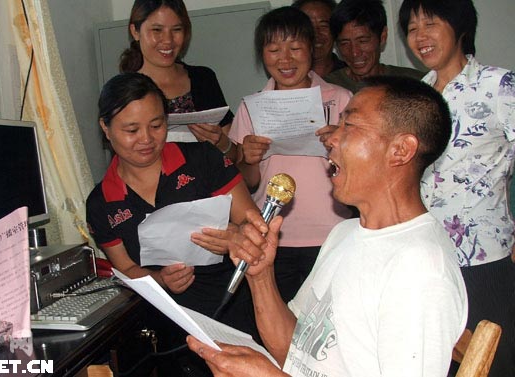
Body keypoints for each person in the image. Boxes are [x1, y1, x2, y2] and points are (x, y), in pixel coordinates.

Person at [186, 76, 468, 377]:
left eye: (350, 126)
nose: (331, 138)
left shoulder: (420, 269)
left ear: (400, 150)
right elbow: (294, 350)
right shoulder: (344, 234)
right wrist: (261, 275)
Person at [85, 72, 261, 374]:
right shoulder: (101, 202)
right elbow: (126, 268)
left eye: (157, 125)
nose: (146, 139)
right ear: (106, 128)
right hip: (169, 328)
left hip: (234, 309)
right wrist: (162, 280)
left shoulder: (202, 160)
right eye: (131, 130)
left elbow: (254, 226)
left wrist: (236, 235)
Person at [399, 1, 515, 375]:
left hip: (485, 256)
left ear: (460, 27)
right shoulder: (416, 97)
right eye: (412, 27)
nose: (420, 36)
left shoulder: (499, 86)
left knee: (491, 361)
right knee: (438, 361)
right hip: (429, 257)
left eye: (430, 24)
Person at [228, 6, 353, 303]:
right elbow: (248, 183)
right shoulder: (251, 106)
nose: (285, 59)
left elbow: (362, 169)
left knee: (331, 328)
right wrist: (249, 158)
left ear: (313, 48)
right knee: (277, 322)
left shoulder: (341, 99)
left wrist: (342, 142)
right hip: (273, 238)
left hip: (332, 236)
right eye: (274, 50)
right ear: (262, 55)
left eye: (295, 48)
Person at [120, 0, 237, 159]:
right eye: (157, 30)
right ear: (135, 31)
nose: (168, 40)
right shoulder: (123, 90)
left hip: (209, 181)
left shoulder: (202, 79)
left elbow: (237, 157)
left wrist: (222, 143)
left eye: (176, 29)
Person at [325, 0, 424, 93]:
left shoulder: (414, 83)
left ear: (383, 37)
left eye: (363, 41)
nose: (354, 52)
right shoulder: (326, 88)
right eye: (344, 43)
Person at [291, 0, 347, 77]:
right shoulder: (286, 76)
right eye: (309, 26)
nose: (316, 34)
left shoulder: (353, 76)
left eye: (323, 26)